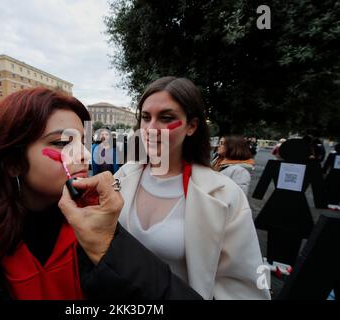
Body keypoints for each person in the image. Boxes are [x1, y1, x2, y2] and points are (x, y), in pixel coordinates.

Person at [0, 87, 201, 300]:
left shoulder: (92, 224)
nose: (83, 155)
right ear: (12, 162)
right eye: (61, 143)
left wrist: (111, 247)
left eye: (82, 140)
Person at [114, 77, 270, 300]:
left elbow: (245, 286)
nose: (150, 128)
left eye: (166, 118)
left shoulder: (224, 194)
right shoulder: (123, 175)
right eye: (146, 118)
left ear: (192, 126)